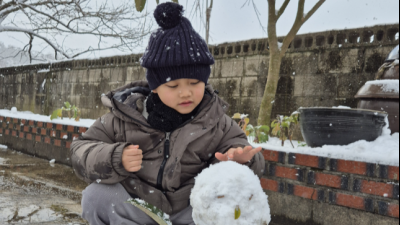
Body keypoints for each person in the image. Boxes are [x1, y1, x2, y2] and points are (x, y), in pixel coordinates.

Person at [70, 2, 265, 225]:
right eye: (173, 86)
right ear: (154, 86)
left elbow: (250, 159)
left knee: (230, 204)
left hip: (190, 210)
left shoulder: (217, 122)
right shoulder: (123, 117)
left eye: (194, 82)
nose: (185, 92)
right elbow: (79, 151)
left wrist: (240, 161)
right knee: (97, 197)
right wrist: (115, 158)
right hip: (139, 205)